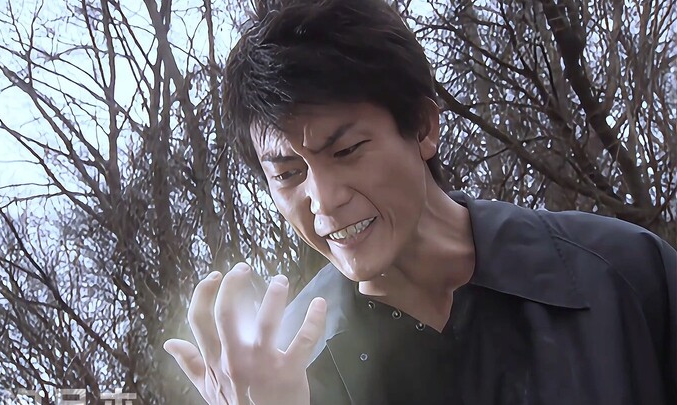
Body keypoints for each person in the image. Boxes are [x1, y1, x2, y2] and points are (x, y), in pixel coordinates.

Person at [163, 0, 677, 403]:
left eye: (346, 150)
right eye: (288, 174)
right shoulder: (284, 375)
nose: (324, 200)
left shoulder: (624, 275)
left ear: (424, 127)